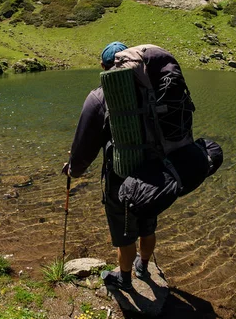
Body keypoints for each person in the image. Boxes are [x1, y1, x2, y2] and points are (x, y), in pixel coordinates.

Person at [62, 41, 157, 291]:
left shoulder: (98, 97)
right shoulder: (150, 88)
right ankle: (143, 266)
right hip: (155, 171)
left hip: (121, 176)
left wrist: (73, 170)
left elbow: (84, 147)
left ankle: (124, 279)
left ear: (104, 68)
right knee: (147, 223)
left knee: (125, 232)